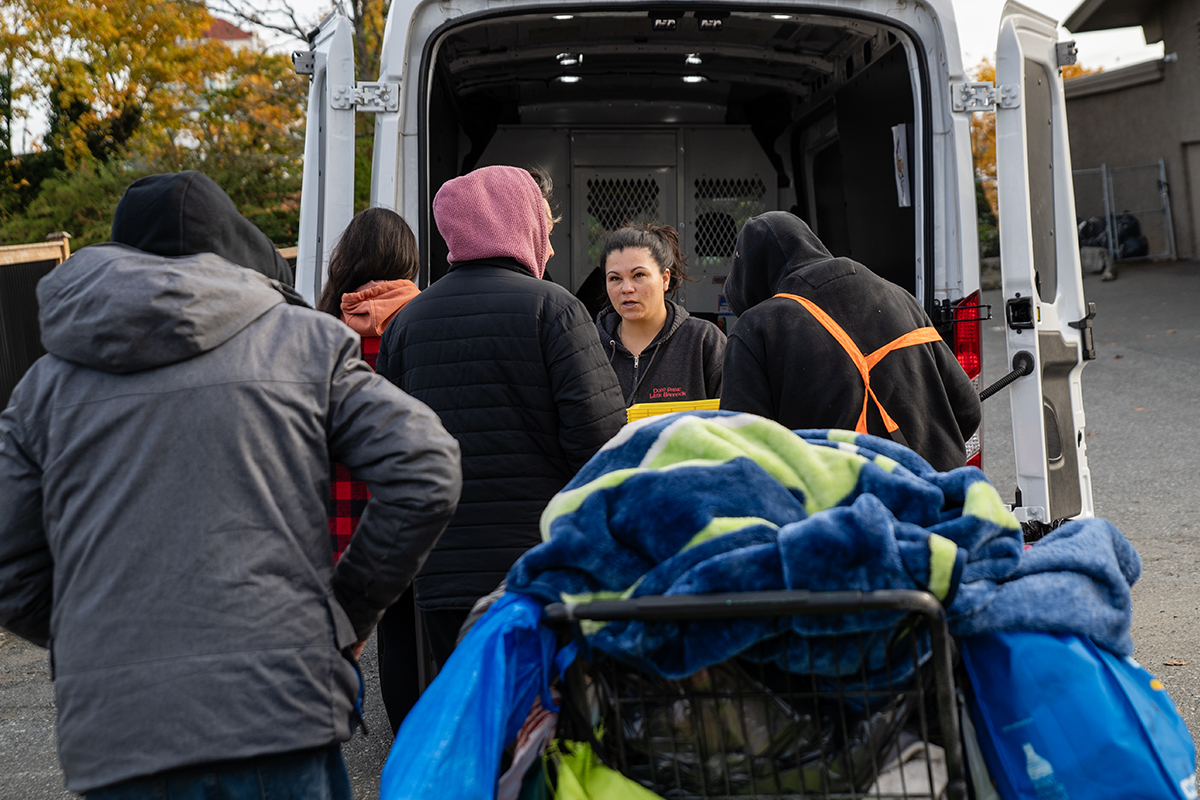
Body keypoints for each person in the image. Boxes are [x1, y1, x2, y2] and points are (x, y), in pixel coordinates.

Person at [0, 171, 462, 798]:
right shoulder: (306, 344)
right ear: (237, 248)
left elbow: (8, 560)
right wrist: (343, 615)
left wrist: (96, 635)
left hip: (121, 730)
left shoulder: (42, 388)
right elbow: (426, 465)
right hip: (280, 708)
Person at [377, 165, 625, 668]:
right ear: (522, 224)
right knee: (544, 722)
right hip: (538, 566)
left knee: (471, 713)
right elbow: (599, 442)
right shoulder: (554, 309)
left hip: (441, 569)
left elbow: (388, 451)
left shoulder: (406, 323)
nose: (551, 247)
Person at [720, 211, 981, 472]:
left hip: (847, 507)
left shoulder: (756, 328)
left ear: (749, 281)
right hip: (940, 497)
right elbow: (968, 412)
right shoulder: (899, 297)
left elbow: (745, 454)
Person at [316, 206, 423, 736]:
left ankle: (336, 723)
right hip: (409, 504)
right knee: (406, 630)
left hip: (340, 508)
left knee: (347, 632)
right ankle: (411, 743)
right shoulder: (426, 323)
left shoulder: (319, 334)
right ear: (408, 260)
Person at [596, 224, 725, 406]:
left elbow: (735, 419)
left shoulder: (704, 341)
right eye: (615, 278)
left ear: (665, 279)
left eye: (639, 275)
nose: (626, 288)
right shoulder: (589, 346)